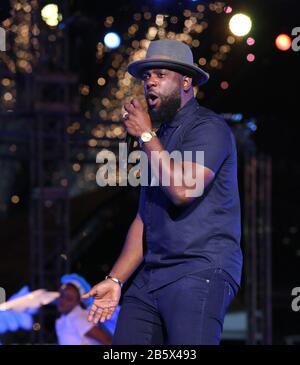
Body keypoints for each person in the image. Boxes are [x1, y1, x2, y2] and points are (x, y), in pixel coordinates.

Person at [83, 39, 243, 345]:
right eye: (146, 76)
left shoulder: (209, 128)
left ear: (186, 81)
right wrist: (115, 279)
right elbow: (146, 217)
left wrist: (145, 135)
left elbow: (183, 190)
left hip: (199, 268)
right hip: (153, 275)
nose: (150, 82)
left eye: (159, 74)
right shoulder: (159, 139)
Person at [55, 273, 113, 345]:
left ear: (78, 301)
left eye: (69, 298)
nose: (63, 301)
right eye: (62, 295)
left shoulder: (78, 317)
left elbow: (107, 340)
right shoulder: (65, 317)